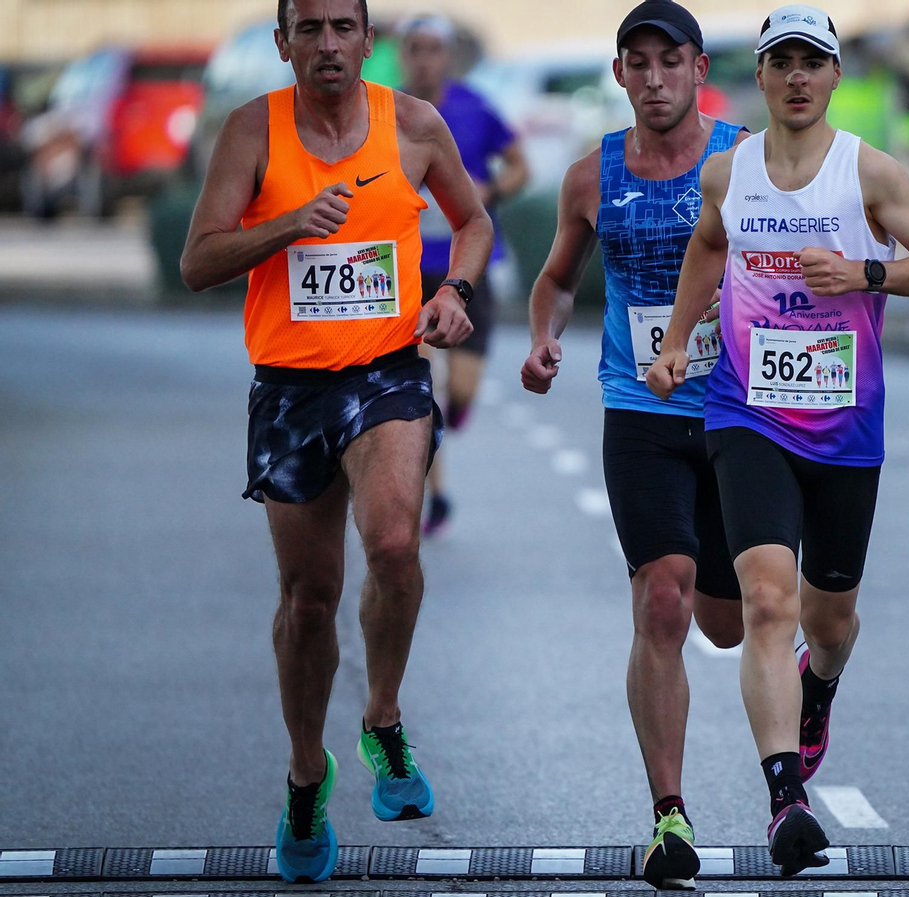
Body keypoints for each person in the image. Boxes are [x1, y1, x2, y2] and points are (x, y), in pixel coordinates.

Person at [646, 3, 909, 875]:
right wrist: (676, 342)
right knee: (766, 601)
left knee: (830, 620)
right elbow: (708, 248)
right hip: (747, 411)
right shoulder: (729, 172)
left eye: (812, 63)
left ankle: (817, 685)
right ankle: (786, 798)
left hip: (845, 423)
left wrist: (867, 271)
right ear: (760, 75)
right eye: (781, 62)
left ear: (832, 75)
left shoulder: (870, 173)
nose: (797, 77)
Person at [178, 0, 491, 883]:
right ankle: (306, 774)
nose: (327, 44)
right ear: (283, 43)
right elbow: (198, 261)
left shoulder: (413, 125)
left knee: (393, 543)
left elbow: (473, 222)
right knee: (309, 597)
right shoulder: (253, 132)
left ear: (367, 40)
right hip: (290, 387)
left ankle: (382, 719)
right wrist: (288, 223)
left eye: (342, 28)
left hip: (387, 371)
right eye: (309, 29)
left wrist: (455, 291)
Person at [518, 1, 746, 889]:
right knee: (662, 599)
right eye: (638, 64)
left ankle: (793, 653)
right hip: (639, 408)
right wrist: (544, 337)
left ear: (698, 70)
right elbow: (555, 278)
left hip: (737, 409)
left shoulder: (744, 160)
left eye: (670, 62)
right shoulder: (592, 176)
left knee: (728, 624)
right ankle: (669, 815)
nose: (654, 80)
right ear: (618, 74)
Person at [398, 12, 529, 535]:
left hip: (467, 268)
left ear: (448, 57)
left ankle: (455, 410)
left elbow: (520, 166)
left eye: (434, 49)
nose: (424, 59)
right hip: (407, 273)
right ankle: (436, 497)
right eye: (415, 49)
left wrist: (490, 190)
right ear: (404, 55)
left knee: (461, 391)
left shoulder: (475, 108)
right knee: (420, 392)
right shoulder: (386, 111)